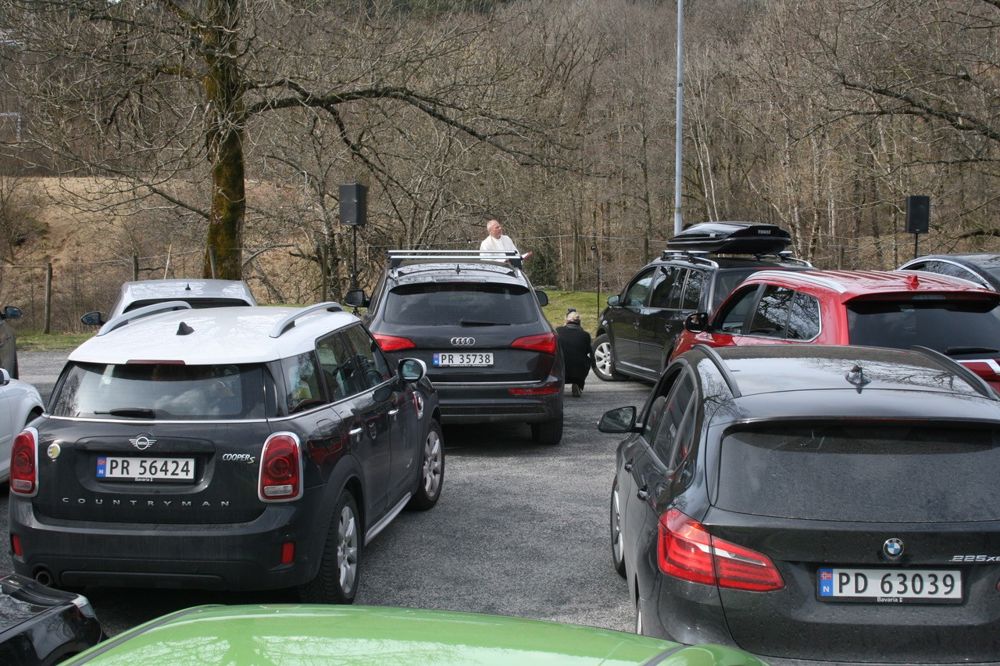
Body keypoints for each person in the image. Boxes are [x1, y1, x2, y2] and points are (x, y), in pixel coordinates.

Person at [556, 309, 592, 397]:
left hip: (561, 370)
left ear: (566, 320)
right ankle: (578, 384)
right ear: (579, 322)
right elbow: (588, 351)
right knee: (584, 359)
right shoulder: (585, 335)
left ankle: (558, 386)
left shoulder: (558, 331)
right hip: (578, 372)